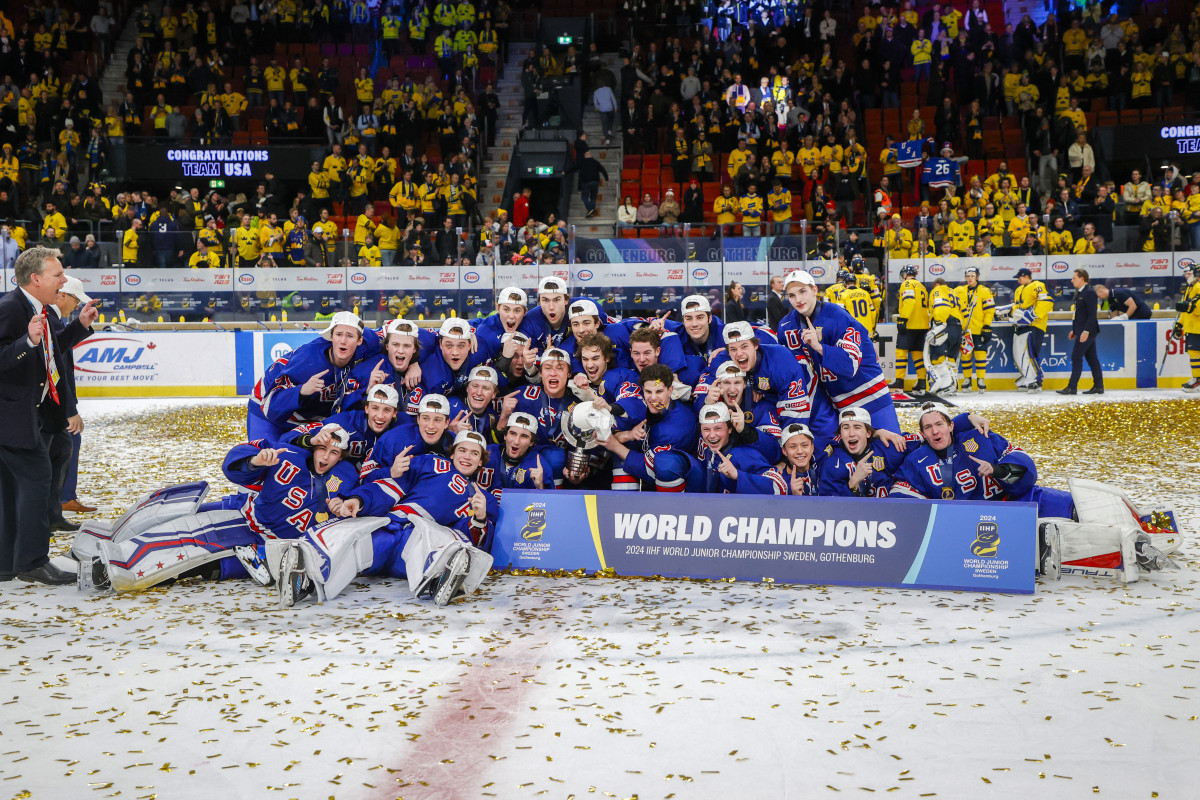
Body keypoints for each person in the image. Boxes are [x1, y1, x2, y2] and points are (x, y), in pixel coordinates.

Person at [75, 431, 361, 592]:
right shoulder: (287, 454)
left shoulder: (345, 476)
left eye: (334, 453)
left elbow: (353, 494)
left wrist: (344, 502)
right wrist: (256, 462)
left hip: (267, 542)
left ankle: (119, 566)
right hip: (244, 513)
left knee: (194, 551)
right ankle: (108, 538)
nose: (326, 456)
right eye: (322, 448)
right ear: (313, 445)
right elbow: (232, 466)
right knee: (180, 516)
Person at [276, 429, 499, 607]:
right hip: (388, 527)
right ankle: (305, 578)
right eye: (462, 450)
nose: (467, 457)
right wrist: (359, 501)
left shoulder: (483, 498)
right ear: (452, 453)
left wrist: (479, 520)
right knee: (349, 535)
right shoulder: (431, 463)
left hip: (417, 545)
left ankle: (440, 580)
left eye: (474, 453)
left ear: (481, 461)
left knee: (447, 541)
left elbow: (477, 541)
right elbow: (390, 487)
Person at [0, 247, 99, 584]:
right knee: (37, 480)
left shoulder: (39, 308)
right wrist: (26, 341)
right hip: (12, 418)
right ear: (36, 278)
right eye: (57, 275)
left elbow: (52, 349)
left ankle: (7, 564)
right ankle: (31, 562)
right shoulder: (10, 309)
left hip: (26, 417)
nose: (63, 280)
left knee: (10, 490)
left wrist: (79, 327)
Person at [775, 270, 899, 436]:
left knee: (890, 450)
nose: (798, 300)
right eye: (792, 295)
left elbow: (849, 366)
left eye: (802, 291)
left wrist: (819, 347)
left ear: (814, 290)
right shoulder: (786, 326)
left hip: (872, 399)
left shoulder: (838, 316)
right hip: (838, 407)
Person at [53, 276, 97, 516]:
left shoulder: (56, 320)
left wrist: (80, 324)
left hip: (61, 402)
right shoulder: (50, 320)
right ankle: (63, 498)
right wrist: (70, 410)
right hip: (58, 404)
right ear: (62, 296)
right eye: (76, 299)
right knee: (68, 443)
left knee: (68, 445)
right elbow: (56, 371)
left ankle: (63, 498)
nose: (78, 304)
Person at [696, 403, 787, 495]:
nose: (712, 435)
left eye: (718, 428)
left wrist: (738, 475)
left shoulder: (743, 455)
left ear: (730, 429)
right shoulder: (705, 448)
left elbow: (779, 486)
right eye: (706, 429)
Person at [1058, 268, 1103, 395]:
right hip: (1082, 330)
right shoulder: (1081, 293)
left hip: (1088, 331)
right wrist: (1074, 330)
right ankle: (1099, 386)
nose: (1072, 280)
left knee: (1076, 356)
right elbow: (1079, 314)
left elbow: (1092, 314)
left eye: (1074, 278)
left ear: (1081, 279)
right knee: (1092, 359)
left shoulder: (1090, 293)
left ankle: (1072, 387)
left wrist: (1086, 331)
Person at [1011, 267, 1053, 392]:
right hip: (1021, 326)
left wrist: (1032, 315)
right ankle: (1028, 377)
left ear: (1026, 276)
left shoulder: (1037, 285)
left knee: (1031, 353)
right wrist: (1012, 313)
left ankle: (1036, 379)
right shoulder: (1019, 289)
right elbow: (1017, 306)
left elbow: (1047, 302)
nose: (1018, 280)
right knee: (1020, 354)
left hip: (1035, 325)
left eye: (1020, 277)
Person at [957, 266, 995, 393]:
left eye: (972, 276)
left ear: (977, 277)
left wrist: (987, 326)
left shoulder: (985, 291)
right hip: (965, 330)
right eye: (967, 276)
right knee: (965, 355)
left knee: (980, 354)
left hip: (979, 329)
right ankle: (967, 379)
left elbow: (989, 311)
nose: (970, 278)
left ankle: (980, 379)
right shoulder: (959, 290)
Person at [892, 264, 929, 392]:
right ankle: (922, 382)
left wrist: (903, 319)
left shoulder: (907, 284)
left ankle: (899, 382)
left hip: (910, 323)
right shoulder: (922, 286)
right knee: (917, 353)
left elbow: (909, 301)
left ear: (905, 275)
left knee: (901, 351)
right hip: (923, 325)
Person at [1175, 263, 1200, 392]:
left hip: (1198, 327)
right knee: (1193, 353)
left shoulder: (1198, 287)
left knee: (1195, 353)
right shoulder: (1190, 288)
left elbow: (1196, 308)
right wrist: (1180, 324)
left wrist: (1189, 307)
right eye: (1185, 274)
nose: (1186, 276)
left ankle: (1197, 380)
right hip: (1191, 327)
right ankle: (1196, 378)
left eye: (1189, 274)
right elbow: (1185, 312)